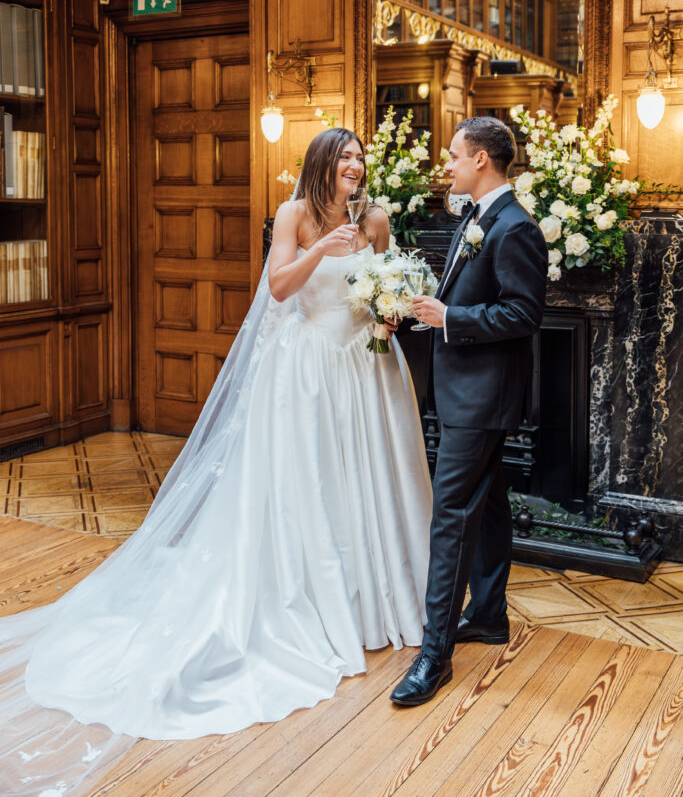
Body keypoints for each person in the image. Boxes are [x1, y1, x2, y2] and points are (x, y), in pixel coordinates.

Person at [0, 128, 432, 797]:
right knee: (309, 488)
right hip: (308, 371)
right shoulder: (294, 216)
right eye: (344, 159)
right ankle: (316, 606)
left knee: (363, 484)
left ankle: (377, 599)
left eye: (358, 160)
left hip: (363, 373)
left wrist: (388, 313)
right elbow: (280, 290)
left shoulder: (375, 217)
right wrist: (320, 246)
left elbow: (386, 284)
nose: (354, 168)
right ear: (323, 165)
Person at [390, 116, 548, 707]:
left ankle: (434, 656)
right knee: (490, 502)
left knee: (450, 515)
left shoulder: (514, 228)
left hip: (482, 398)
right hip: (465, 390)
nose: (447, 164)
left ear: (482, 160)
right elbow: (457, 294)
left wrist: (449, 320)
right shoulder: (476, 218)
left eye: (454, 156)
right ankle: (487, 614)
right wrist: (416, 311)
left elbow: (523, 314)